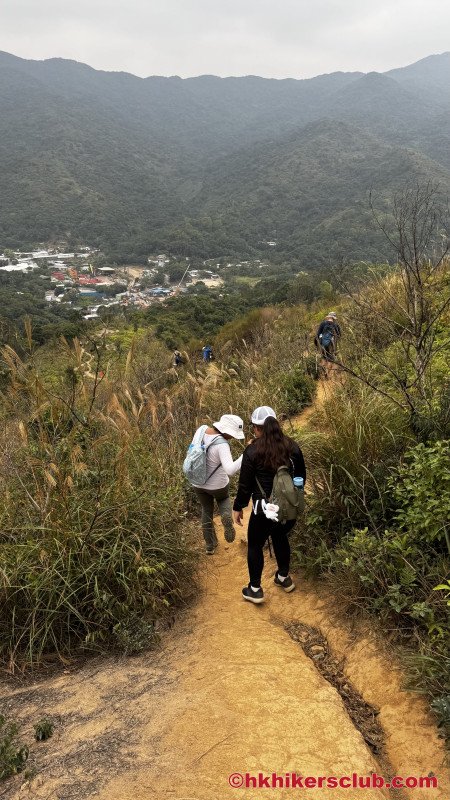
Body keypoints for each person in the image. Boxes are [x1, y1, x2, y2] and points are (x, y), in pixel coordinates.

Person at [233, 406, 306, 604]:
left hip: (263, 510)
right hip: (288, 509)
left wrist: (238, 507)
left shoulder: (253, 451)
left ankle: (255, 589)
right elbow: (300, 477)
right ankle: (284, 577)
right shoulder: (292, 447)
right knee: (280, 536)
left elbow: (245, 485)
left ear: (257, 428)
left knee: (255, 544)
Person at [191, 414, 244, 554]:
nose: (232, 438)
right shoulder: (222, 444)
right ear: (226, 431)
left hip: (197, 482)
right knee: (223, 498)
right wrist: (246, 454)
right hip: (217, 485)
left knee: (206, 509)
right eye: (232, 435)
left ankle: (210, 545)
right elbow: (230, 470)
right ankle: (226, 515)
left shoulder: (201, 430)